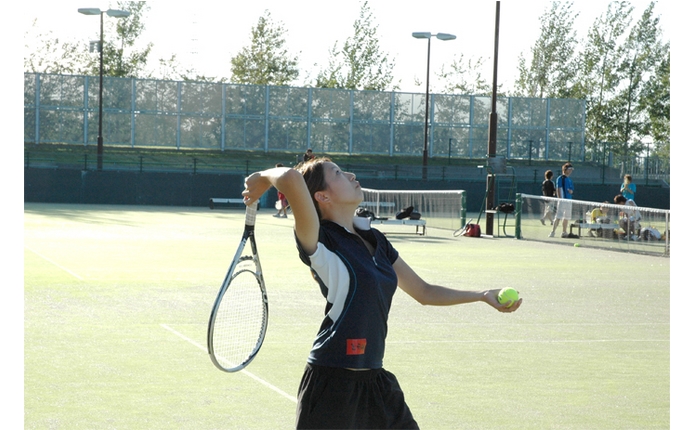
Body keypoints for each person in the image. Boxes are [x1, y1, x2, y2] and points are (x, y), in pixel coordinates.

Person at [242, 158, 522, 429]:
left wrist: (483, 294)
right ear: (322, 197)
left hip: (376, 382)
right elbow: (291, 178)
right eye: (338, 173)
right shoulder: (318, 239)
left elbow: (424, 292)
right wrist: (263, 178)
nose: (351, 176)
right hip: (331, 384)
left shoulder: (377, 240)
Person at [549, 163, 574, 238]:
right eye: (569, 169)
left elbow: (572, 190)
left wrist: (570, 191)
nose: (570, 171)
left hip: (569, 201)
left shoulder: (570, 180)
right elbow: (558, 189)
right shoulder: (560, 178)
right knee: (558, 216)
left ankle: (564, 232)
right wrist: (560, 199)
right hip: (562, 201)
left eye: (571, 170)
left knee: (566, 217)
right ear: (565, 170)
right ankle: (553, 232)